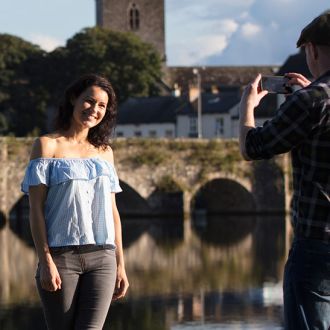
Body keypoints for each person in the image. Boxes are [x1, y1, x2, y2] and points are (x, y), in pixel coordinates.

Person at [239, 10, 330, 330]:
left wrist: (247, 108)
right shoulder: (313, 97)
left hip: (318, 243)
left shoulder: (310, 101)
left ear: (313, 49)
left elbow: (254, 146)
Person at [21, 73, 129, 329]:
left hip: (103, 258)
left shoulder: (105, 153)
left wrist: (121, 264)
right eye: (89, 101)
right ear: (73, 99)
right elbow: (35, 210)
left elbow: (113, 212)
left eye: (102, 105)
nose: (94, 109)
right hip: (61, 258)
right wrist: (46, 261)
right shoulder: (47, 146)